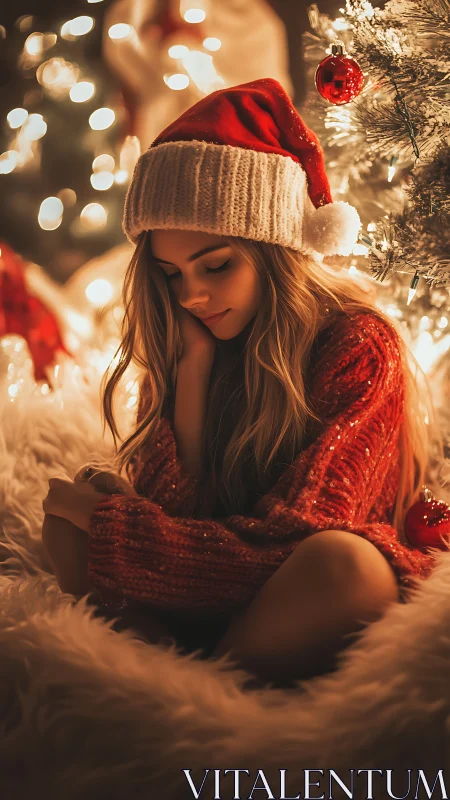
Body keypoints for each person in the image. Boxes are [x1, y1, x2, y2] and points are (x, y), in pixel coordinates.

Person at [42, 78, 442, 689]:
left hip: (306, 592)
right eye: (171, 274)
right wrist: (192, 378)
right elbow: (175, 510)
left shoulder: (360, 346)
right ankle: (179, 665)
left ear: (276, 248)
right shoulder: (190, 338)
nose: (192, 295)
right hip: (213, 581)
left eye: (217, 265)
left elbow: (294, 546)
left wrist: (121, 535)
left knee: (343, 563)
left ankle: (195, 691)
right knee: (74, 508)